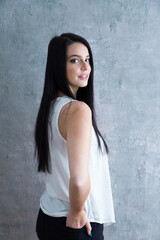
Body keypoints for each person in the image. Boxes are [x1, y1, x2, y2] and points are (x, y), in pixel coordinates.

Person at [34, 33, 115, 240]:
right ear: (58, 66)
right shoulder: (77, 110)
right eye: (74, 60)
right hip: (76, 224)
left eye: (87, 60)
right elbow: (79, 180)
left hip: (49, 216)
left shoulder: (50, 109)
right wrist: (78, 212)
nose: (85, 67)